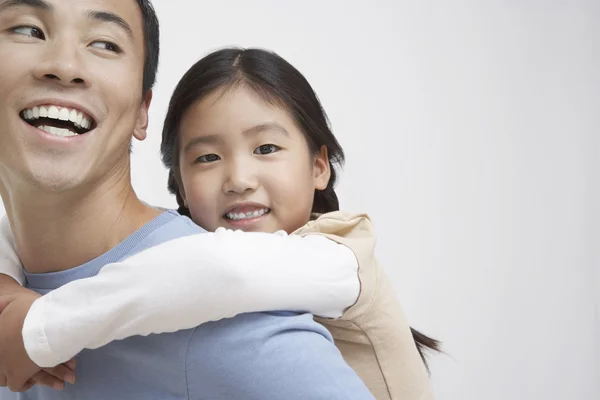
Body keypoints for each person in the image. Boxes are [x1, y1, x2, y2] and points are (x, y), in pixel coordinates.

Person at [0, 45, 438, 399]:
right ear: (182, 186)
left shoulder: (340, 251)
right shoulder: (171, 253)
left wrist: (37, 330)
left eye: (266, 148)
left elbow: (221, 271)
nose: (239, 180)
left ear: (319, 166)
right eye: (207, 157)